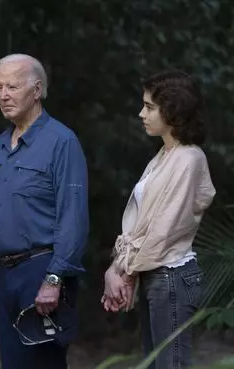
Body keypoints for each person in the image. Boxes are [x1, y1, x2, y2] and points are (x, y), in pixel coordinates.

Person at [0, 53, 89, 369]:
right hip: (7, 275)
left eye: (12, 86)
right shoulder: (0, 144)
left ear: (36, 90)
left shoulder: (62, 141)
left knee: (42, 363)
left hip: (42, 269)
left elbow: (73, 216)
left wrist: (55, 276)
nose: (3, 95)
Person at [102, 70, 215, 369]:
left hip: (171, 275)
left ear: (173, 109)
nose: (142, 114)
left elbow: (164, 230)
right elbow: (142, 226)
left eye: (150, 107)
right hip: (155, 273)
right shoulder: (165, 154)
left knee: (171, 366)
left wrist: (125, 273)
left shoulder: (189, 158)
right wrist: (118, 268)